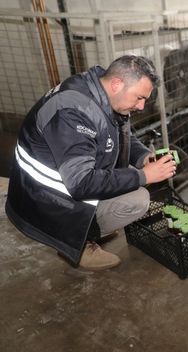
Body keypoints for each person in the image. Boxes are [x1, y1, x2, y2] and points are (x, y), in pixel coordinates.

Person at [5, 55, 177, 271]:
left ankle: (93, 226)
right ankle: (77, 243)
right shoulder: (73, 112)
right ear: (117, 84)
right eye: (139, 98)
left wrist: (144, 158)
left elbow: (125, 135)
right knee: (138, 198)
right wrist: (145, 176)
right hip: (43, 200)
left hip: (65, 182)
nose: (142, 106)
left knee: (136, 177)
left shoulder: (103, 92)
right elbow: (81, 183)